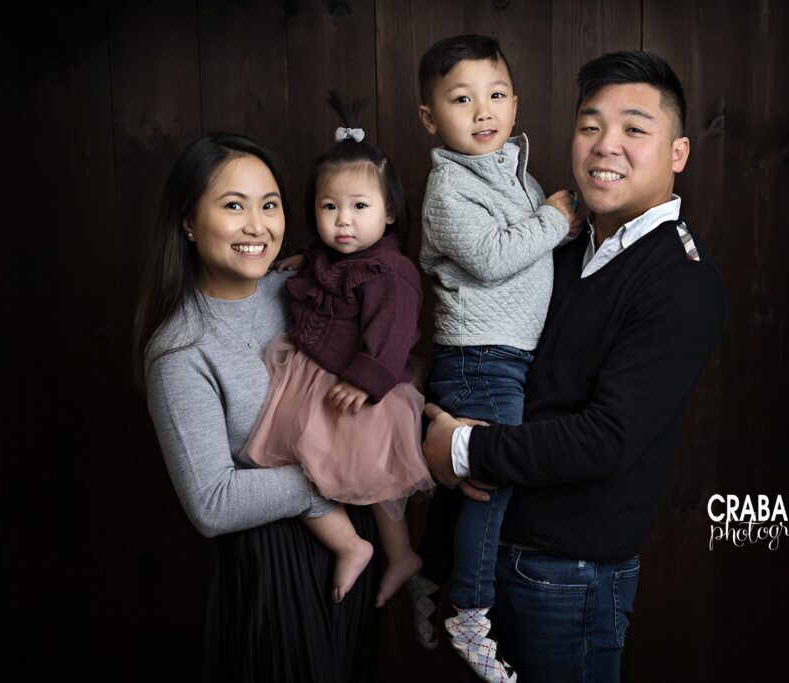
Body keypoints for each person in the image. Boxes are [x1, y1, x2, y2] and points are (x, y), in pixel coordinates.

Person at [421, 51, 727, 682]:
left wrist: (461, 451)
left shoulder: (681, 282)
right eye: (590, 126)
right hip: (490, 556)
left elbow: (607, 437)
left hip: (569, 579)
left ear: (679, 153)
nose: (605, 146)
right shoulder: (557, 249)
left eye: (635, 130)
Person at [136, 133, 380, 682]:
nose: (257, 226)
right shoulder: (181, 351)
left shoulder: (302, 291)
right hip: (273, 572)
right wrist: (334, 473)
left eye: (269, 205)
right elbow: (213, 502)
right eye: (232, 206)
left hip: (353, 549)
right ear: (189, 222)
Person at [409, 34, 579, 683]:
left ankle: (429, 574)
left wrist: (562, 223)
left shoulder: (514, 171)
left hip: (500, 357)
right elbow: (490, 255)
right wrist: (557, 221)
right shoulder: (448, 185)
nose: (484, 110)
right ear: (430, 117)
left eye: (497, 94)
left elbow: (533, 244)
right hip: (481, 358)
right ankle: (470, 610)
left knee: (461, 485)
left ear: (515, 102)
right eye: (462, 99)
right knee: (492, 480)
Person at [244, 93, 433, 609]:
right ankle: (355, 544)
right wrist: (304, 259)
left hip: (359, 386)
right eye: (330, 207)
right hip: (314, 374)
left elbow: (393, 336)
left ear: (390, 212)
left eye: (359, 207)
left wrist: (367, 380)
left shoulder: (390, 272)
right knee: (303, 468)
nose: (343, 221)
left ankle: (396, 554)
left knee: (374, 476)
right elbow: (328, 265)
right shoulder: (329, 254)